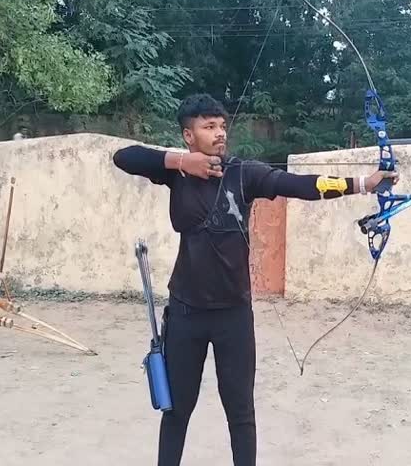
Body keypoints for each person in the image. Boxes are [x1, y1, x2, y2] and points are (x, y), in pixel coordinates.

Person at [112, 93, 396, 466]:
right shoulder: (176, 173)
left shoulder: (245, 173)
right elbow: (124, 157)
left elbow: (300, 185)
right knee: (177, 411)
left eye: (222, 126)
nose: (219, 133)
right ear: (188, 135)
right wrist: (182, 163)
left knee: (241, 414)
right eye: (208, 126)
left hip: (233, 314)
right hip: (185, 312)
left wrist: (362, 182)